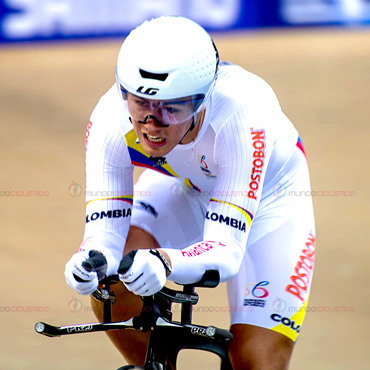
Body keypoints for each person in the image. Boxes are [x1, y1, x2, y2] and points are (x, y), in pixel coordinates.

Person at [64, 15, 316, 369]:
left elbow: (226, 253)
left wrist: (165, 262)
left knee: (255, 360)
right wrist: (88, 261)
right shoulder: (110, 117)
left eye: (172, 107)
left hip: (269, 202)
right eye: (141, 103)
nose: (152, 121)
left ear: (201, 100)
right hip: (185, 186)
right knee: (113, 283)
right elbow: (104, 236)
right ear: (124, 92)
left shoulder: (241, 112)